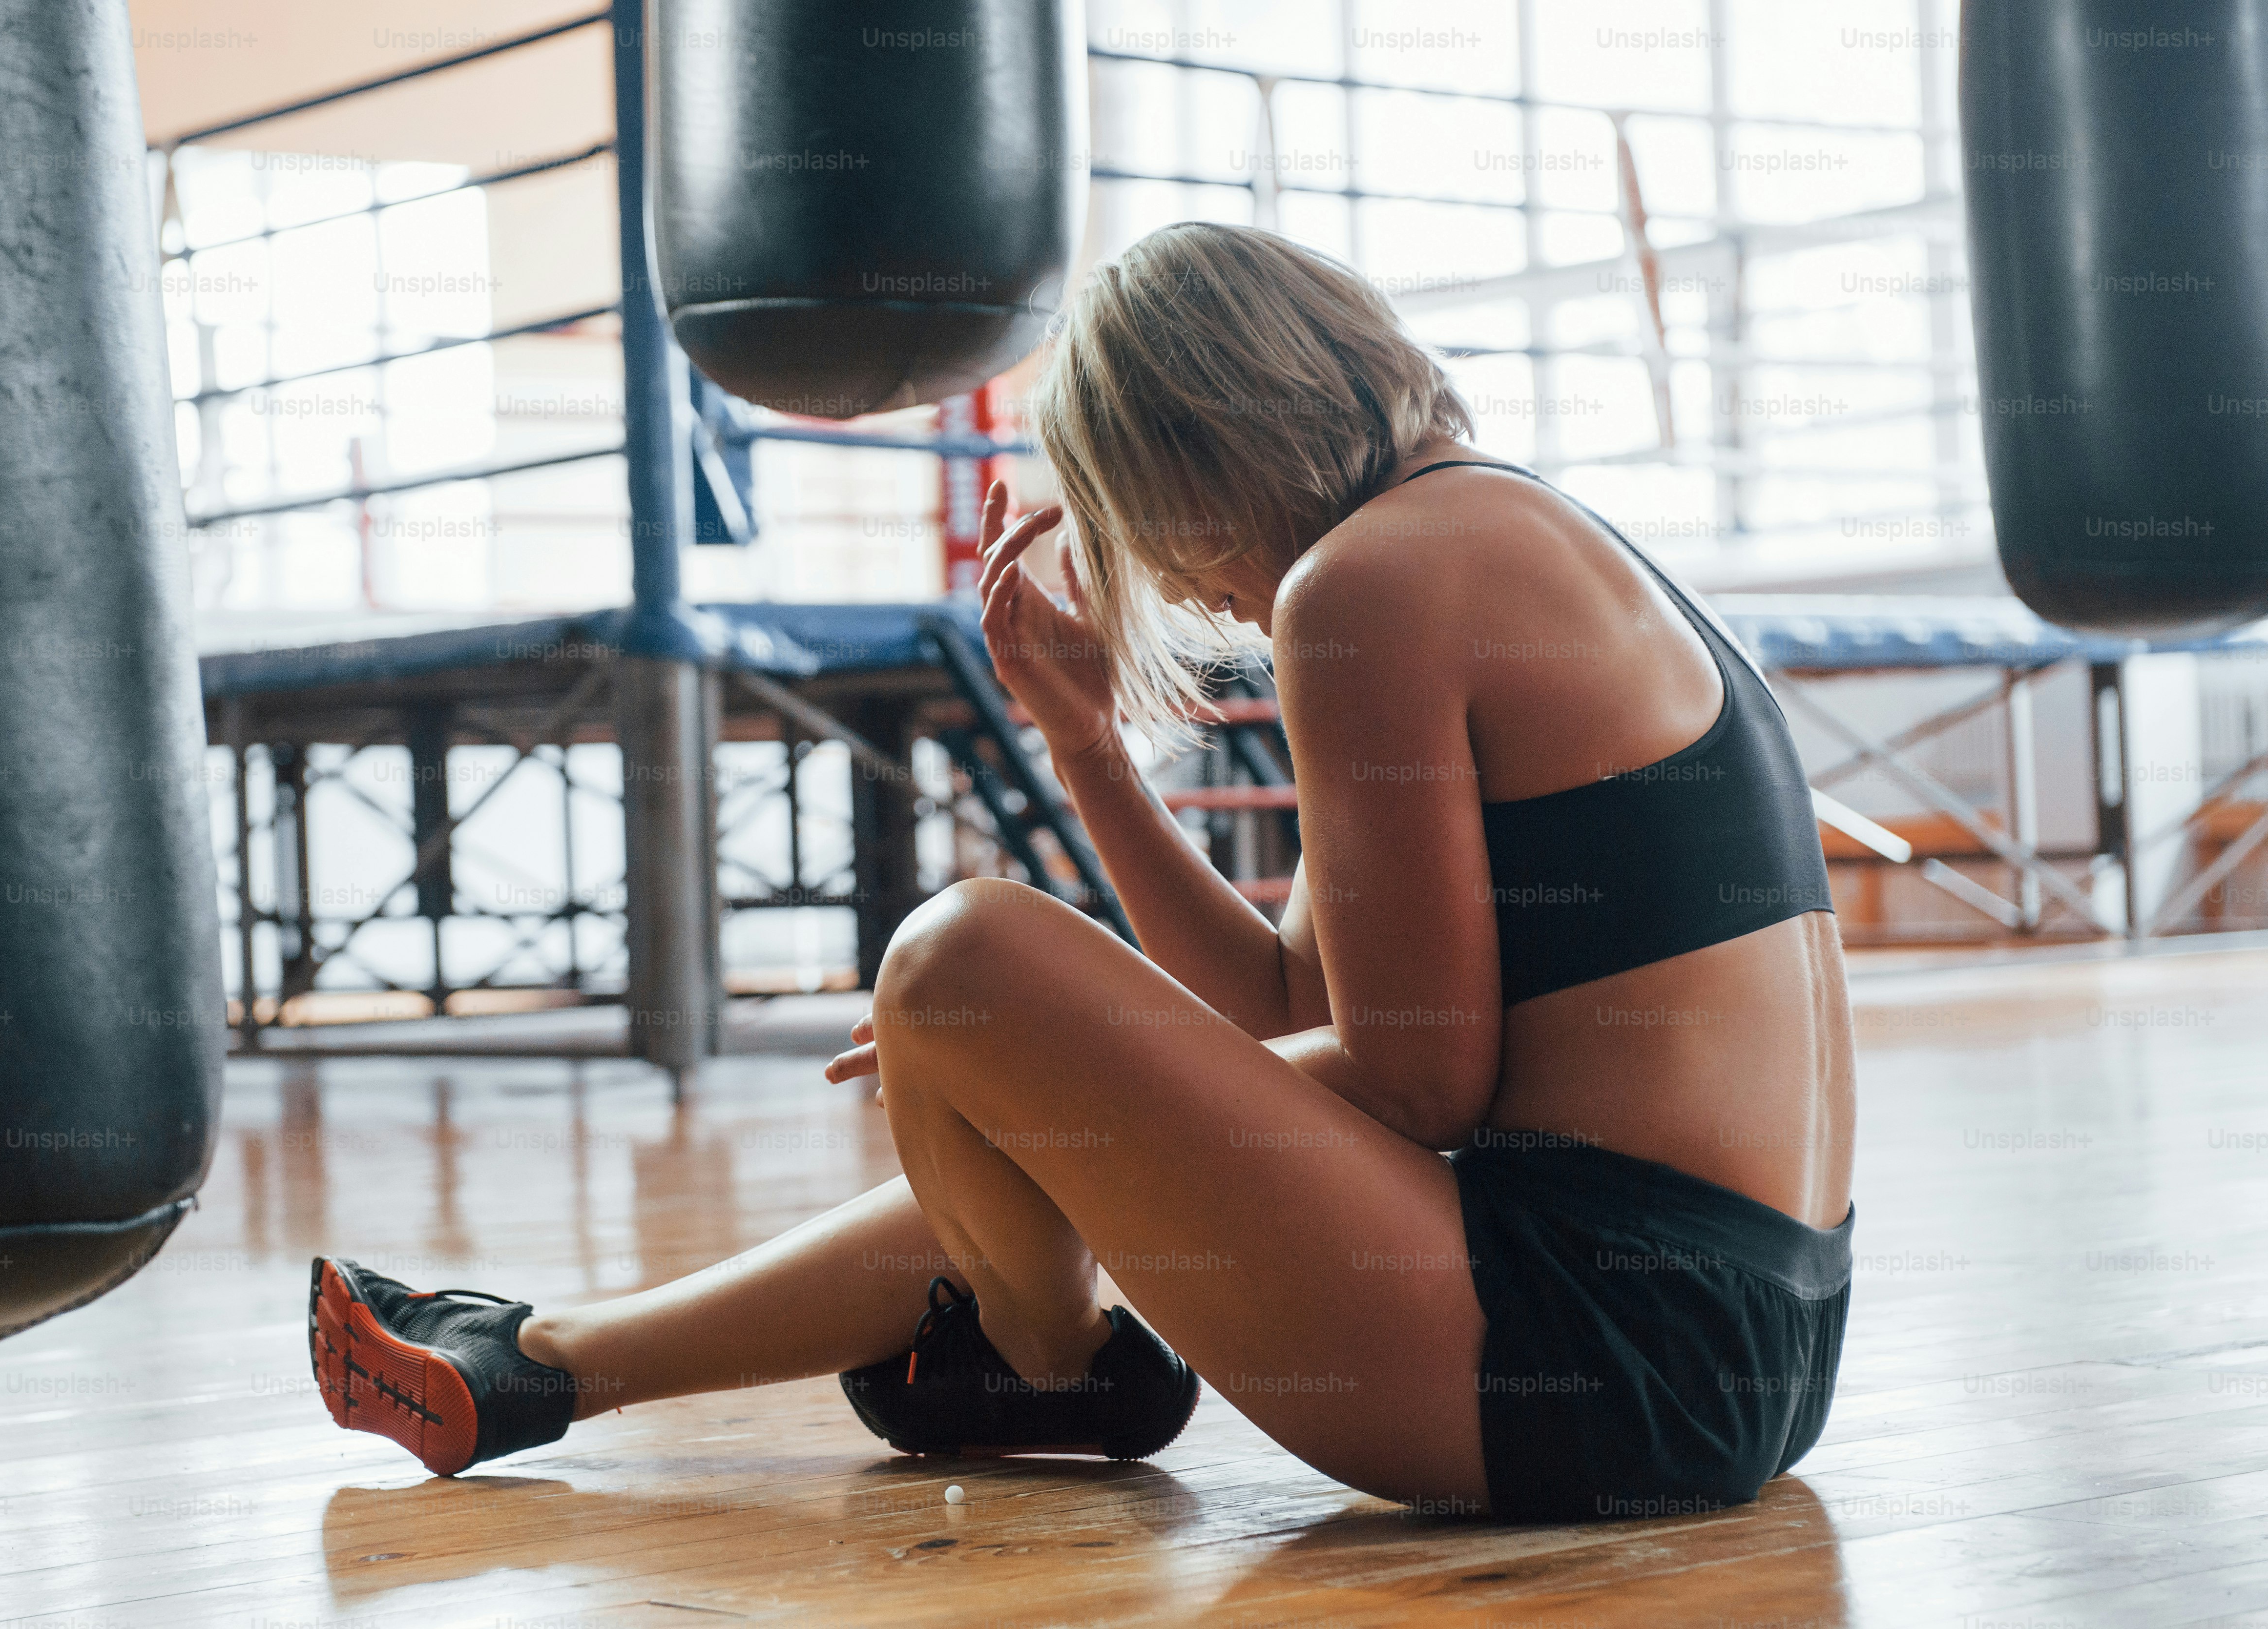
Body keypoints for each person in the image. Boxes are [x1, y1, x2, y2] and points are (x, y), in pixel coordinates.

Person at [306, 222, 1855, 1523]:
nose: (1190, 586)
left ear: (1193, 454)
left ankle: (1045, 1353)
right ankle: (538, 1364)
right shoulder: (1501, 541)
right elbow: (1286, 1005)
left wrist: (1020, 1050)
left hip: (1600, 1348)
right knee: (1003, 1043)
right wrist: (1088, 756)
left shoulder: (1370, 579)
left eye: (1152, 535)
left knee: (956, 956)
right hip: (1744, 1347)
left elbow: (1418, 1084)